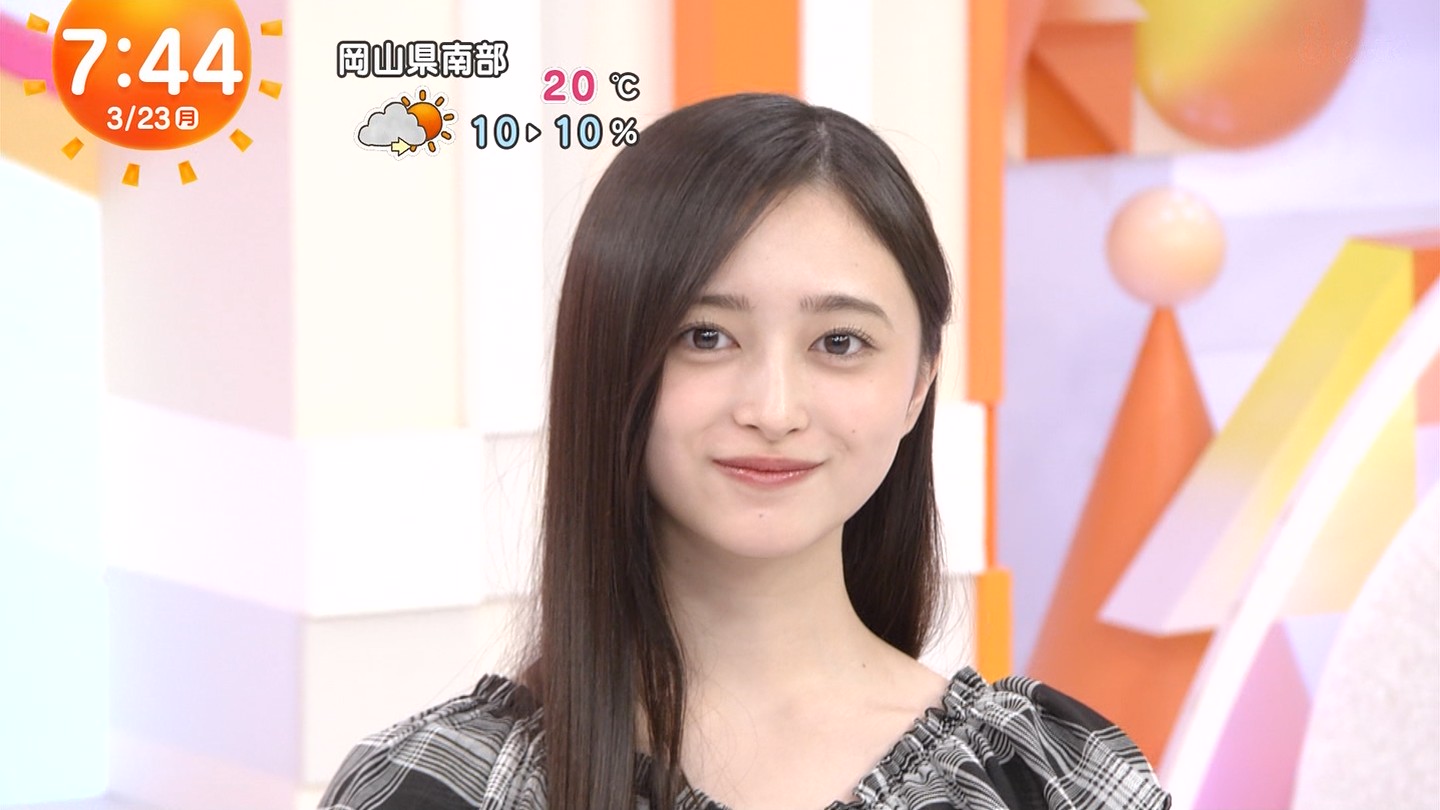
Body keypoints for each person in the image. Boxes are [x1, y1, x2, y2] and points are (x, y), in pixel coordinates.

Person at [318, 93, 1171, 810]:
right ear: (609, 360)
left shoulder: (1052, 780)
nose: (772, 409)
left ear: (919, 383)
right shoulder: (440, 785)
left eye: (839, 343)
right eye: (705, 336)